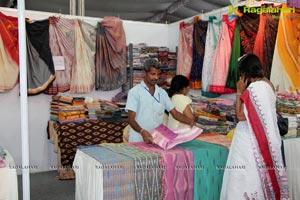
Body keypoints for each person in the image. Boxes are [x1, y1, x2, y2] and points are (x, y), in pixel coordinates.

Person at [220, 54, 289, 199]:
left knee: (243, 178)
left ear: (245, 73)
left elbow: (239, 115)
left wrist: (240, 90)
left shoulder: (254, 90)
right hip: (261, 140)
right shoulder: (268, 84)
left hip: (249, 141)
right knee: (256, 178)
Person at [125, 58, 194, 143]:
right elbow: (131, 119)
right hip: (138, 139)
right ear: (144, 73)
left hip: (157, 140)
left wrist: (190, 121)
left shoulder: (162, 93)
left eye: (158, 74)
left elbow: (175, 114)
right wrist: (142, 131)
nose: (156, 77)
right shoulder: (135, 92)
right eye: (153, 74)